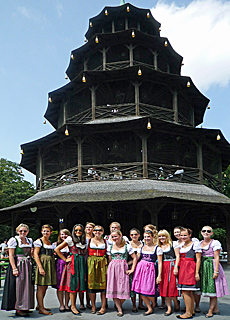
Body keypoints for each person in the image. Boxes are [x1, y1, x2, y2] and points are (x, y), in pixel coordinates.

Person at [195, 226, 229, 318]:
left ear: (211, 233)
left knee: (212, 288)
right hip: (202, 266)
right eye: (204, 231)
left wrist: (216, 271)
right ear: (201, 232)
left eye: (208, 231)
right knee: (200, 287)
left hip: (211, 265)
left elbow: (216, 257)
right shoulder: (199, 243)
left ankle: (210, 311)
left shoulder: (215, 243)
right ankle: (215, 309)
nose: (206, 232)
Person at [1, 224, 34, 317]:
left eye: (25, 231)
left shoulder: (29, 240)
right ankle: (19, 308)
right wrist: (14, 268)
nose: (23, 233)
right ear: (17, 231)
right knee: (19, 286)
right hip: (19, 264)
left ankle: (26, 306)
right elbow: (11, 255)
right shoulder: (14, 240)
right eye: (21, 231)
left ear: (27, 232)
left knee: (27, 286)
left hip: (27, 264)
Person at [55, 224, 87, 316]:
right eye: (76, 230)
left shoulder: (83, 240)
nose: (78, 232)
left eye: (80, 230)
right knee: (73, 284)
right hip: (73, 263)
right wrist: (65, 259)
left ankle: (77, 304)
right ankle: (72, 306)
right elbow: (57, 249)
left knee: (79, 283)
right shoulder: (70, 239)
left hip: (81, 263)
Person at [106, 230, 137, 317]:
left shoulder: (127, 246)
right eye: (112, 237)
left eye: (116, 236)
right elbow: (109, 260)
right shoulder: (110, 247)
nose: (114, 238)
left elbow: (134, 258)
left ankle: (119, 304)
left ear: (120, 235)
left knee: (124, 287)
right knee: (113, 287)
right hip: (113, 268)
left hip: (123, 268)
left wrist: (132, 269)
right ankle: (119, 309)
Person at [132, 230, 163, 316]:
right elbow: (137, 258)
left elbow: (160, 262)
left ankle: (153, 304)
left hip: (150, 270)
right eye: (145, 237)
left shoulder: (157, 248)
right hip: (140, 269)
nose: (146, 238)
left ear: (153, 237)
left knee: (148, 289)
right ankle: (149, 308)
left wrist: (159, 275)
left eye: (148, 236)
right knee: (141, 290)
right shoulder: (141, 247)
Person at [177, 228, 201, 319]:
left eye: (185, 235)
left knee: (186, 291)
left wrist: (197, 272)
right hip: (182, 267)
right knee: (188, 291)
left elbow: (198, 259)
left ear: (189, 235)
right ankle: (191, 310)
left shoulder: (194, 244)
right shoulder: (182, 245)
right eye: (181, 235)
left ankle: (188, 312)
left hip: (189, 267)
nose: (183, 237)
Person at [34, 224, 57, 316]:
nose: (45, 233)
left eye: (47, 231)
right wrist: (40, 267)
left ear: (50, 232)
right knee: (41, 286)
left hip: (49, 264)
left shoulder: (50, 242)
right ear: (41, 232)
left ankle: (39, 305)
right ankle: (41, 308)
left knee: (45, 286)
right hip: (43, 263)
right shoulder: (39, 241)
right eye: (44, 231)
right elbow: (36, 254)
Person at [158, 229, 180, 316]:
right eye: (160, 236)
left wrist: (176, 267)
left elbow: (178, 256)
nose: (161, 238)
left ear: (167, 236)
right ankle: (169, 308)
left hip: (171, 265)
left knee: (172, 287)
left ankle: (176, 303)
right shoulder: (159, 247)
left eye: (163, 236)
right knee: (165, 287)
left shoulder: (173, 244)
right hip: (163, 267)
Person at [87, 225, 107, 315]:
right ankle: (93, 306)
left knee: (103, 285)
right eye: (96, 230)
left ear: (102, 231)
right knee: (91, 285)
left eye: (100, 230)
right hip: (91, 262)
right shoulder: (88, 241)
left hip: (102, 263)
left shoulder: (106, 241)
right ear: (93, 231)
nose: (97, 232)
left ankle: (103, 307)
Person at [128, 227, 144, 312]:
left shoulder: (142, 244)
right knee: (132, 286)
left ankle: (141, 303)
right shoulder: (127, 243)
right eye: (132, 234)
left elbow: (138, 257)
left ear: (139, 235)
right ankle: (134, 305)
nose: (134, 236)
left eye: (135, 234)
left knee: (140, 286)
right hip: (130, 267)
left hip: (141, 267)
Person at [55, 229, 71, 312]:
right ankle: (61, 304)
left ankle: (66, 304)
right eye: (62, 234)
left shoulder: (71, 244)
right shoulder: (56, 244)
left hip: (69, 265)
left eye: (65, 234)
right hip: (60, 265)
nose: (63, 236)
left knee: (68, 285)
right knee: (60, 286)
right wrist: (65, 259)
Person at [81, 222, 95, 310]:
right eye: (87, 227)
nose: (88, 229)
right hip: (83, 259)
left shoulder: (96, 238)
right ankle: (81, 303)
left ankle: (89, 302)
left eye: (90, 227)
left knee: (90, 282)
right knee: (82, 281)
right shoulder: (82, 238)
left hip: (93, 260)